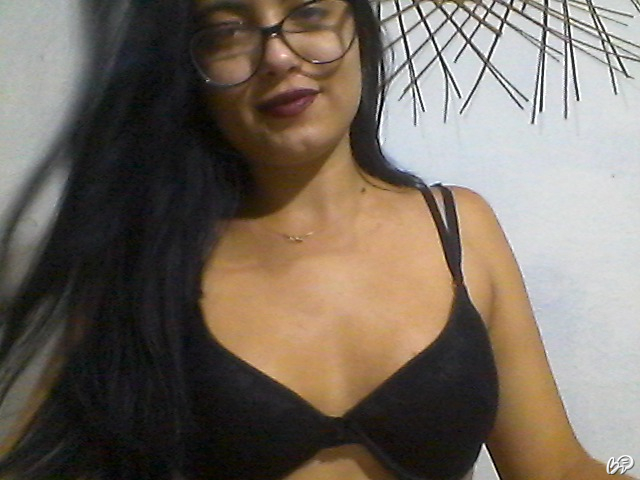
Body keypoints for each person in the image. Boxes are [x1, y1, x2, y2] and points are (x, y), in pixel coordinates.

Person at [0, 0, 635, 479]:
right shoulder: (146, 260)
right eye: (228, 30)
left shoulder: (460, 228)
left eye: (308, 13)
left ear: (358, 29)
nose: (278, 55)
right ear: (191, 72)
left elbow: (556, 468)